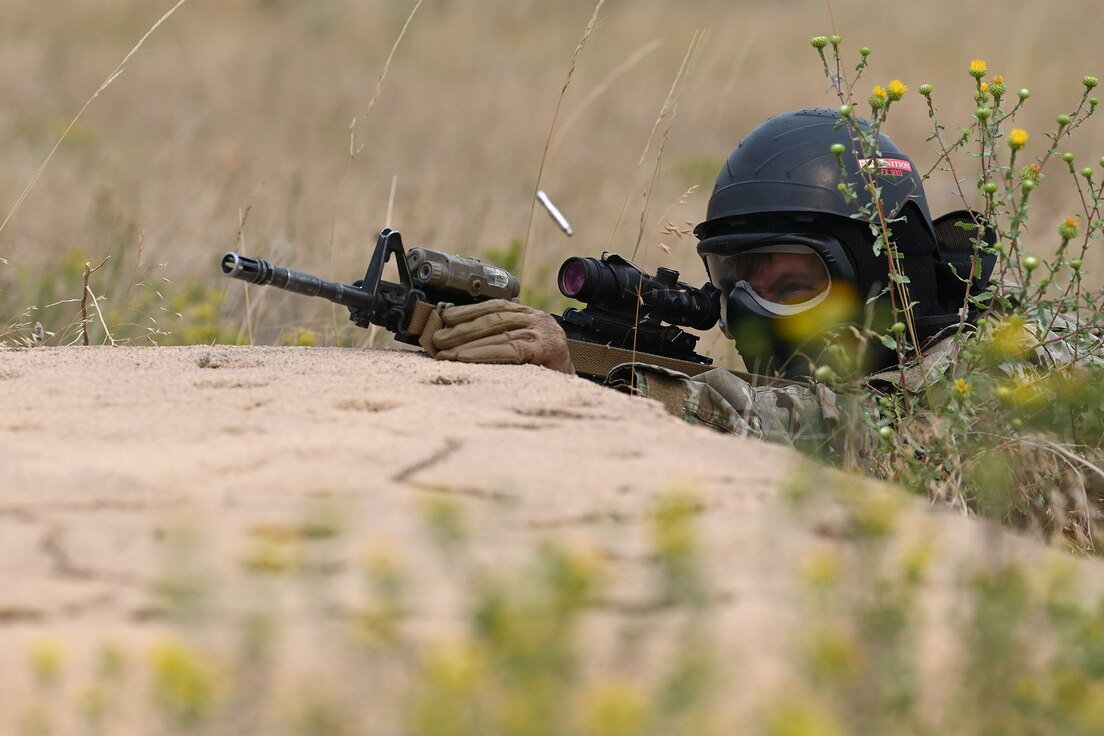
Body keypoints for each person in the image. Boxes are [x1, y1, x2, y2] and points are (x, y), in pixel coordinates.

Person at [417, 108, 1091, 455]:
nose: (751, 311)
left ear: (888, 279)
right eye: (736, 280)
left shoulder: (1017, 366)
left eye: (793, 284)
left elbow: (870, 436)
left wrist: (622, 382)